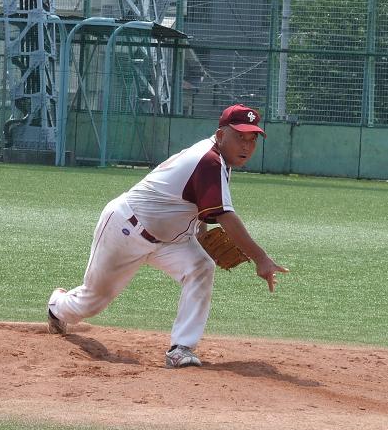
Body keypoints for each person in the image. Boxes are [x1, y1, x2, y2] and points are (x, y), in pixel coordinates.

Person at [47, 104, 288, 368]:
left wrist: (201, 234)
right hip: (127, 228)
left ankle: (181, 348)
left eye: (252, 139)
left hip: (170, 240)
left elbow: (199, 206)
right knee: (92, 302)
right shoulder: (208, 160)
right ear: (221, 135)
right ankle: (57, 306)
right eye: (240, 136)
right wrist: (261, 259)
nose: (246, 146)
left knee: (201, 266)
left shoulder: (218, 160)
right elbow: (225, 217)